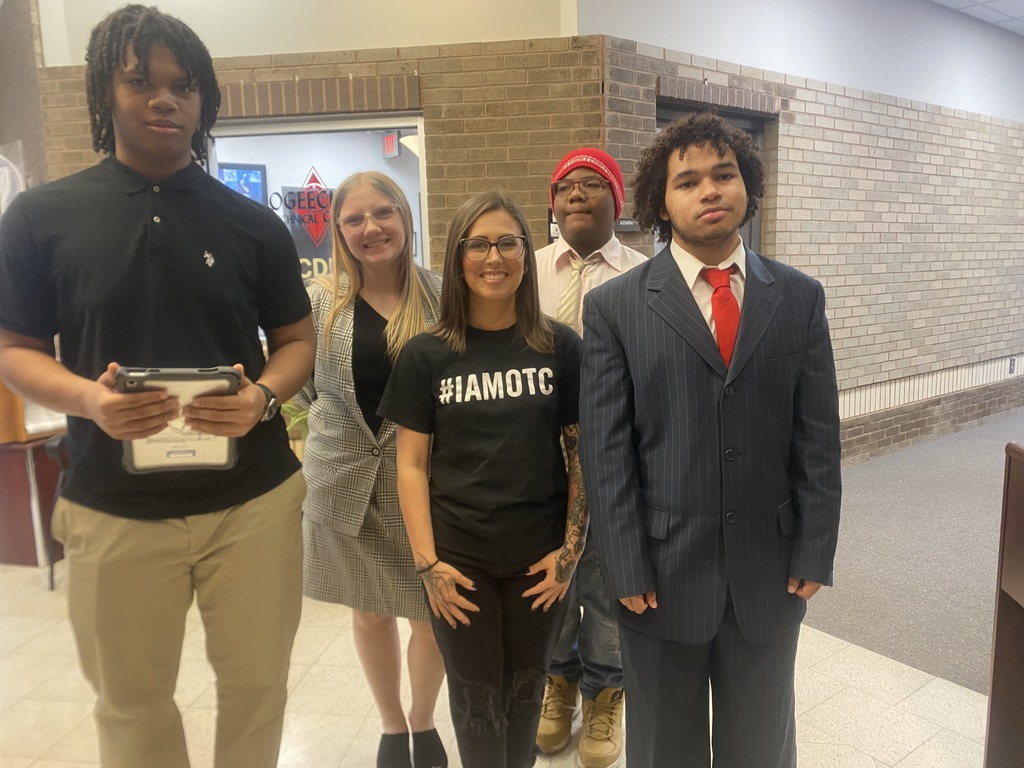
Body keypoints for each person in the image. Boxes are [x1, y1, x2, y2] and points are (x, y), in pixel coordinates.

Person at [0, 6, 314, 768]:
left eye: (183, 86)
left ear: (203, 101)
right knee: (130, 702)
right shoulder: (40, 217)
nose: (163, 99)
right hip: (113, 507)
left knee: (258, 689)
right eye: (140, 81)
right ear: (106, 93)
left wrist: (263, 398)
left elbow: (299, 342)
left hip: (253, 504)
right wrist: (89, 401)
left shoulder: (254, 225)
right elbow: (16, 348)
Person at [579, 112, 842, 768]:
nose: (709, 190)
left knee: (760, 747)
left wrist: (815, 547)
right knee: (666, 748)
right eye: (687, 181)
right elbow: (606, 451)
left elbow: (817, 437)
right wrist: (625, 563)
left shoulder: (800, 299)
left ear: (748, 187)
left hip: (770, 572)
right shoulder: (616, 307)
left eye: (724, 175)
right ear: (660, 203)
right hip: (660, 575)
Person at [379, 191, 586, 768]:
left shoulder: (559, 348)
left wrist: (570, 553)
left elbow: (581, 456)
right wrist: (427, 564)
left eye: (507, 243)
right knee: (475, 705)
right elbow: (411, 465)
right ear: (457, 257)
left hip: (538, 564)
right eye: (478, 244)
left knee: (524, 697)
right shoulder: (426, 355)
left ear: (526, 253)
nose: (493, 257)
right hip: (458, 562)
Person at [292, 170, 448, 768]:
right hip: (345, 483)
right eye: (353, 219)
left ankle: (422, 720)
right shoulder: (317, 303)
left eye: (383, 213)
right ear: (337, 230)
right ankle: (390, 727)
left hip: (425, 484)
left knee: (431, 612)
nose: (370, 228)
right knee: (370, 610)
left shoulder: (441, 296)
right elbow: (304, 391)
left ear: (406, 220)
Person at [533, 148, 646, 768]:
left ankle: (607, 690)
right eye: (565, 186)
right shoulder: (527, 272)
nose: (577, 194)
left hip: (613, 458)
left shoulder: (645, 275)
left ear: (616, 202)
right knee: (551, 580)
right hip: (539, 460)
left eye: (592, 184)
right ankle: (559, 679)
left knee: (603, 583)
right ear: (551, 202)